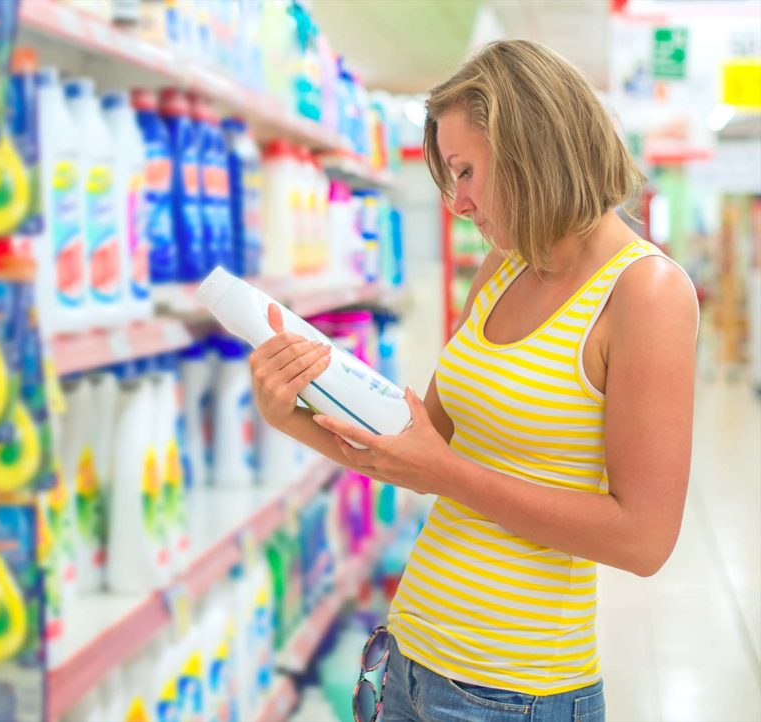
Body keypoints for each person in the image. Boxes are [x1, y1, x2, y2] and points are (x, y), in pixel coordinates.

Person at [247, 40, 698, 722]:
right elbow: (419, 454)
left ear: (532, 149)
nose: (457, 202)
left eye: (464, 172)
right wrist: (294, 417)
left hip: (514, 694)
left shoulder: (646, 293)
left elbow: (643, 540)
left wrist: (448, 472)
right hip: (408, 659)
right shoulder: (502, 269)